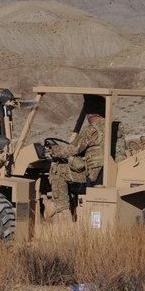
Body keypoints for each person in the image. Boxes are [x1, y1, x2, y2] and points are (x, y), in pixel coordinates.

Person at [46, 95, 107, 223]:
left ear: (90, 114)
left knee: (58, 171)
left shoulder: (91, 130)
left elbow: (72, 149)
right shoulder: (114, 127)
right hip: (107, 172)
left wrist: (53, 150)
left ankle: (62, 214)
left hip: (93, 174)